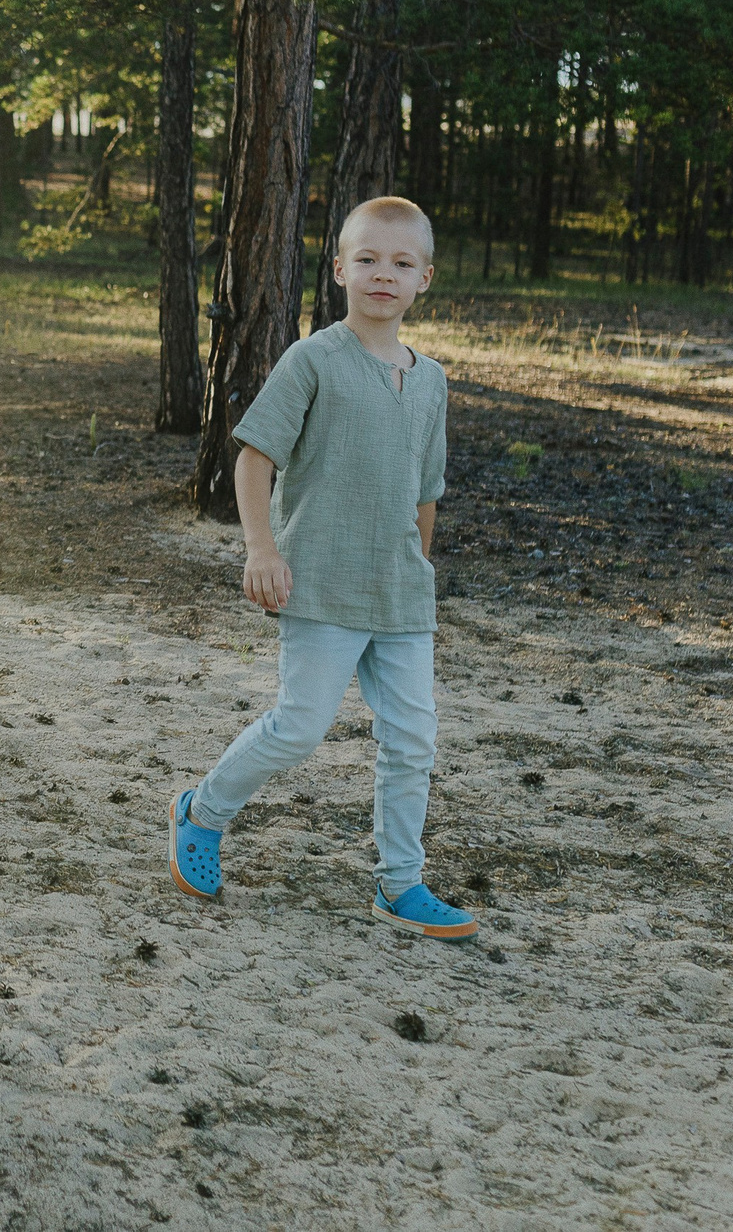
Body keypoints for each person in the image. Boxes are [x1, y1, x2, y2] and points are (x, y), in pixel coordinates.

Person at [169, 195, 476, 938]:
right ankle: (203, 810)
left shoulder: (431, 380)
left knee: (413, 740)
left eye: (401, 263)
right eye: (367, 258)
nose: (382, 274)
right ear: (338, 268)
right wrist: (261, 548)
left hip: (400, 593)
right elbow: (253, 458)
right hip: (322, 581)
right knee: (301, 727)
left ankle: (399, 882)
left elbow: (426, 492)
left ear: (424, 280)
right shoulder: (314, 359)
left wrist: (418, 569)